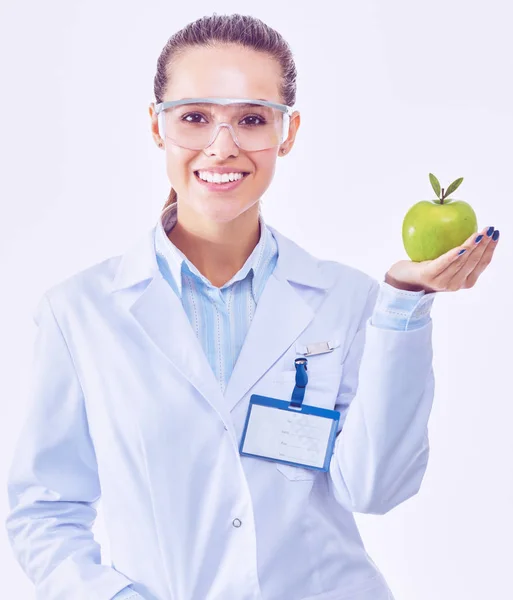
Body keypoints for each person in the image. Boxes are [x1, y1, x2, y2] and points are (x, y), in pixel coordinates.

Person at [5, 12, 500, 600]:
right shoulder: (80, 313)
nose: (222, 146)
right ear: (156, 126)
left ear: (287, 132)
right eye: (194, 117)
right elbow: (45, 512)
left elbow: (375, 488)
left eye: (251, 119)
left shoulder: (347, 301)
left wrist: (405, 304)